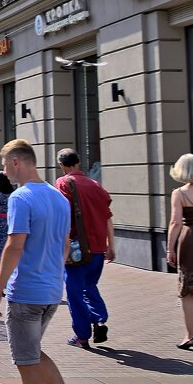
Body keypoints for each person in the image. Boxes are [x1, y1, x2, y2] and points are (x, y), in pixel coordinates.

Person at [0, 139, 91, 384]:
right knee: (33, 353)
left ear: (17, 162)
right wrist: (53, 277)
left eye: (6, 166)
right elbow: (63, 245)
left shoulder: (22, 197)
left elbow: (14, 245)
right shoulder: (58, 198)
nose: (5, 172)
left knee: (26, 362)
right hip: (50, 291)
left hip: (26, 292)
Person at [55, 149, 114, 349]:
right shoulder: (96, 185)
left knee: (74, 292)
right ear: (79, 162)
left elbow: (62, 216)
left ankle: (82, 335)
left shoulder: (63, 183)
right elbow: (108, 217)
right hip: (98, 248)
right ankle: (99, 319)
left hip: (76, 250)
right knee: (89, 286)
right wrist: (111, 246)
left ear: (62, 165)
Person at [166, 153, 193, 350]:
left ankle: (190, 336)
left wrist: (170, 248)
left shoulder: (180, 193)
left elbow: (176, 222)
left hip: (191, 240)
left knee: (188, 291)